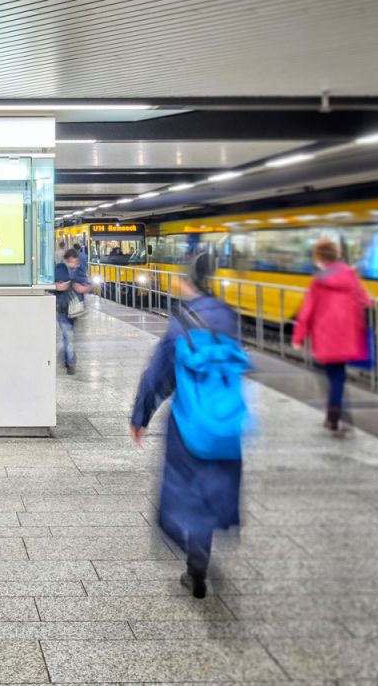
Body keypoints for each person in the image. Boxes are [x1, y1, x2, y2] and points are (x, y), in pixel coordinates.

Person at [131, 253, 242, 599]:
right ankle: (200, 560)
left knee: (180, 490)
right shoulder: (228, 316)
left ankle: (190, 554)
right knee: (212, 489)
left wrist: (141, 416)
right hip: (226, 421)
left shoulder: (182, 321)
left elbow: (158, 375)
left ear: (188, 282)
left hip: (187, 422)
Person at [293, 238, 371, 437]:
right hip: (347, 335)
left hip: (326, 337)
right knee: (338, 377)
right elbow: (365, 300)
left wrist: (298, 337)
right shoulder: (350, 275)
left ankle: (336, 418)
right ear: (335, 255)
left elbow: (307, 311)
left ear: (318, 257)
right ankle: (336, 417)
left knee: (333, 377)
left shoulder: (319, 280)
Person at [54, 248, 92, 375]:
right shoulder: (59, 269)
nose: (73, 265)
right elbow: (50, 286)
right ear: (66, 260)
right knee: (68, 336)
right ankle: (70, 362)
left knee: (70, 336)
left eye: (75, 262)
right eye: (71, 262)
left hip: (76, 310)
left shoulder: (80, 270)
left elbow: (88, 285)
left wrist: (84, 288)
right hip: (63, 308)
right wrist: (57, 287)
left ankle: (66, 357)